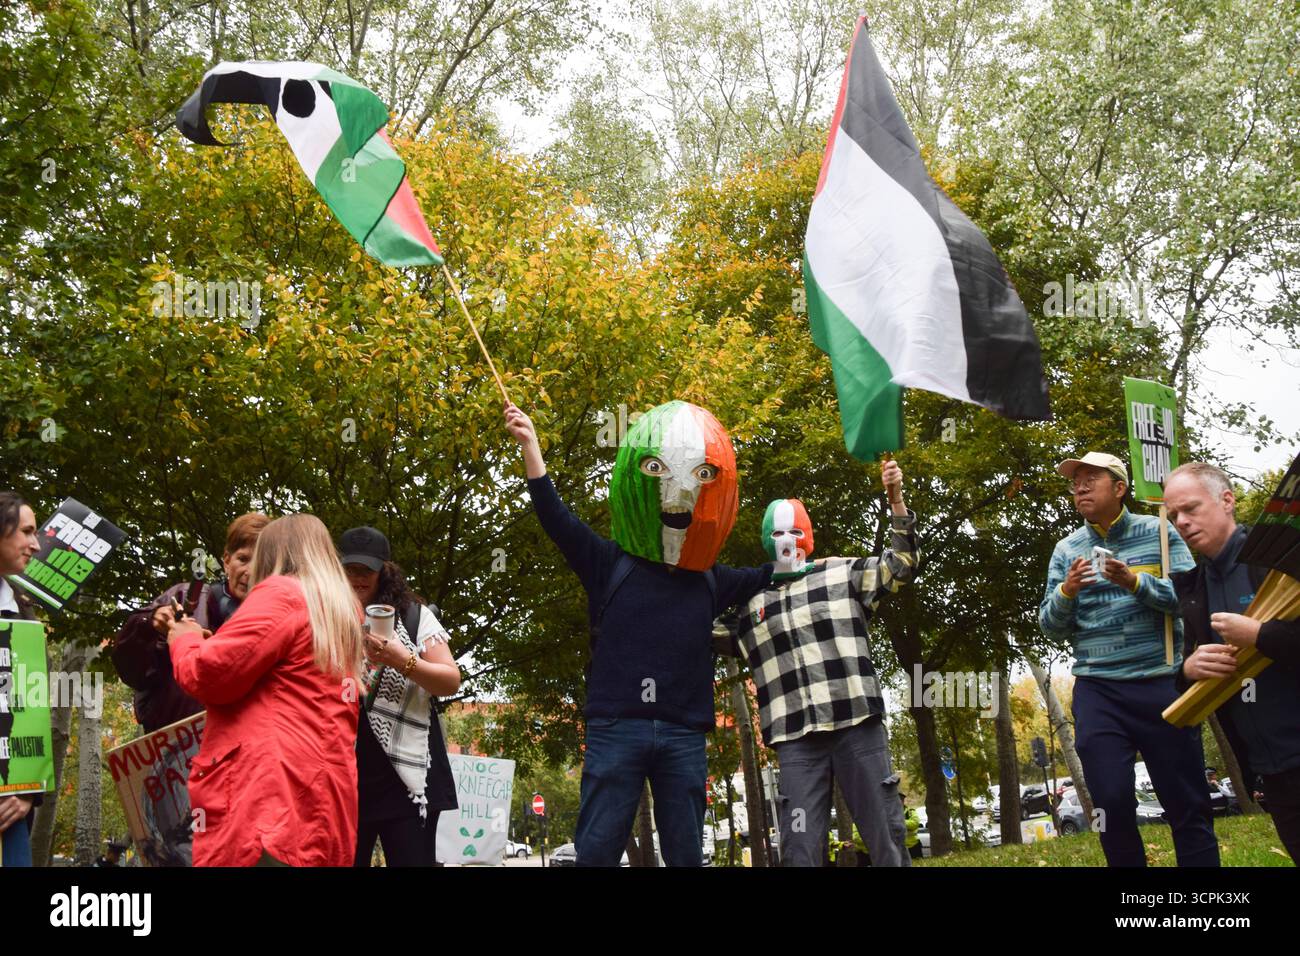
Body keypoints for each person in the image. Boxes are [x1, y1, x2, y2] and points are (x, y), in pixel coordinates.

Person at [504, 399, 772, 866]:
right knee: (598, 849)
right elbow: (555, 518)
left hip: (684, 730)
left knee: (686, 853)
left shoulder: (710, 579)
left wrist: (807, 563)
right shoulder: (609, 563)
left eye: (702, 477)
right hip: (616, 725)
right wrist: (531, 447)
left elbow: (767, 574)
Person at [716, 463, 917, 867]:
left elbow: (900, 565)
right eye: (777, 533)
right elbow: (687, 624)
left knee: (885, 835)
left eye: (794, 531)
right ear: (765, 542)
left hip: (856, 723)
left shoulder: (843, 572)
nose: (787, 540)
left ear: (808, 536)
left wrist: (895, 500)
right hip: (794, 739)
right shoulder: (749, 602)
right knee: (800, 846)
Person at [1039, 451, 1217, 867]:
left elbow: (1191, 602)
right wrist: (1066, 593)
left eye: (1090, 479)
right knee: (1112, 800)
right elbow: (1050, 626)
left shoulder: (1160, 533)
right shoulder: (1067, 550)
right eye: (1075, 482)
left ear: (1119, 488)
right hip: (1099, 691)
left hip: (1164, 683)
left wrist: (1135, 582)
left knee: (1186, 802)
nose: (1079, 488)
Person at [168, 514, 363, 866]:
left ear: (273, 554)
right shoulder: (340, 611)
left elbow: (210, 674)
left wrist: (185, 639)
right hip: (324, 793)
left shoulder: (282, 593)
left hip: (268, 795)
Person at [1166, 461, 1300, 860]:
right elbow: (1194, 674)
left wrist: (1261, 636)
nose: (1182, 522)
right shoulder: (1194, 587)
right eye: (1174, 515)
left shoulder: (1280, 559)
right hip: (1272, 771)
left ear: (1227, 500)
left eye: (1190, 508)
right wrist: (1188, 670)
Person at [339, 526, 461, 867]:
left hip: (410, 780)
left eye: (368, 568)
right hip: (346, 779)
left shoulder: (415, 615)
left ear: (384, 569)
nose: (358, 576)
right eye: (350, 568)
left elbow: (450, 681)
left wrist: (402, 660)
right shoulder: (325, 618)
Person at [114, 512, 269, 731]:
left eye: (260, 563)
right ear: (226, 561)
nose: (249, 571)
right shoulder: (183, 596)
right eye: (242, 559)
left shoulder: (273, 618)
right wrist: (149, 623)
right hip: (173, 743)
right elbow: (129, 666)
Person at [0, 492, 43, 868]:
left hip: (8, 811)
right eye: (27, 532)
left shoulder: (23, 612)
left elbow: (30, 706)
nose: (36, 544)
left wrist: (27, 791)